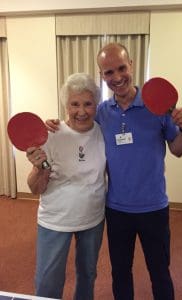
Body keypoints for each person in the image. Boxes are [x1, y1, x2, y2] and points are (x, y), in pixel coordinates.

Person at [46, 43, 182, 300]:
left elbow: (179, 150)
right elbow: (77, 124)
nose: (116, 77)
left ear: (132, 65)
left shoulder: (157, 108)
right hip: (116, 210)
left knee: (159, 271)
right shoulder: (102, 112)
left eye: (121, 68)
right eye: (108, 72)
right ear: (102, 75)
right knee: (120, 273)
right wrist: (54, 124)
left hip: (154, 208)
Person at [26, 73, 106, 300]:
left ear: (96, 105)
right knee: (48, 280)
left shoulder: (102, 132)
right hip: (55, 220)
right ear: (66, 105)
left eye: (88, 104)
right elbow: (35, 188)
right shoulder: (50, 135)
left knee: (88, 275)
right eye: (75, 104)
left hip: (93, 218)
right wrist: (40, 168)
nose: (81, 111)